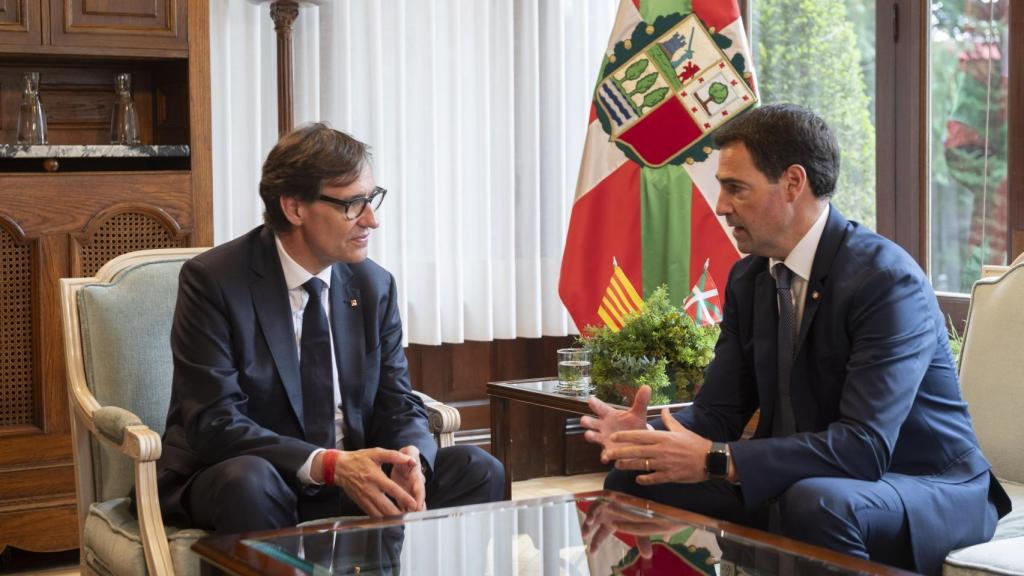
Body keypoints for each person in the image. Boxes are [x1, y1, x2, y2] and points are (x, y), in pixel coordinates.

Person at [580, 104, 1010, 575]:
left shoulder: (885, 280)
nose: (721, 206)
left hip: (921, 482)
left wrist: (719, 460)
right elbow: (718, 415)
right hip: (813, 477)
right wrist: (649, 439)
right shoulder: (750, 278)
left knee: (816, 501)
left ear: (792, 183)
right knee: (636, 476)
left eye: (735, 188)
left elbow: (864, 446)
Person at [155, 123, 504, 533]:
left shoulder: (373, 285)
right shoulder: (215, 281)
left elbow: (397, 399)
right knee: (248, 483)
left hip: (355, 474)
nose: (371, 220)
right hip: (263, 474)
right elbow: (215, 421)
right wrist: (330, 465)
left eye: (372, 199)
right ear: (295, 208)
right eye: (353, 204)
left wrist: (413, 460)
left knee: (478, 469)